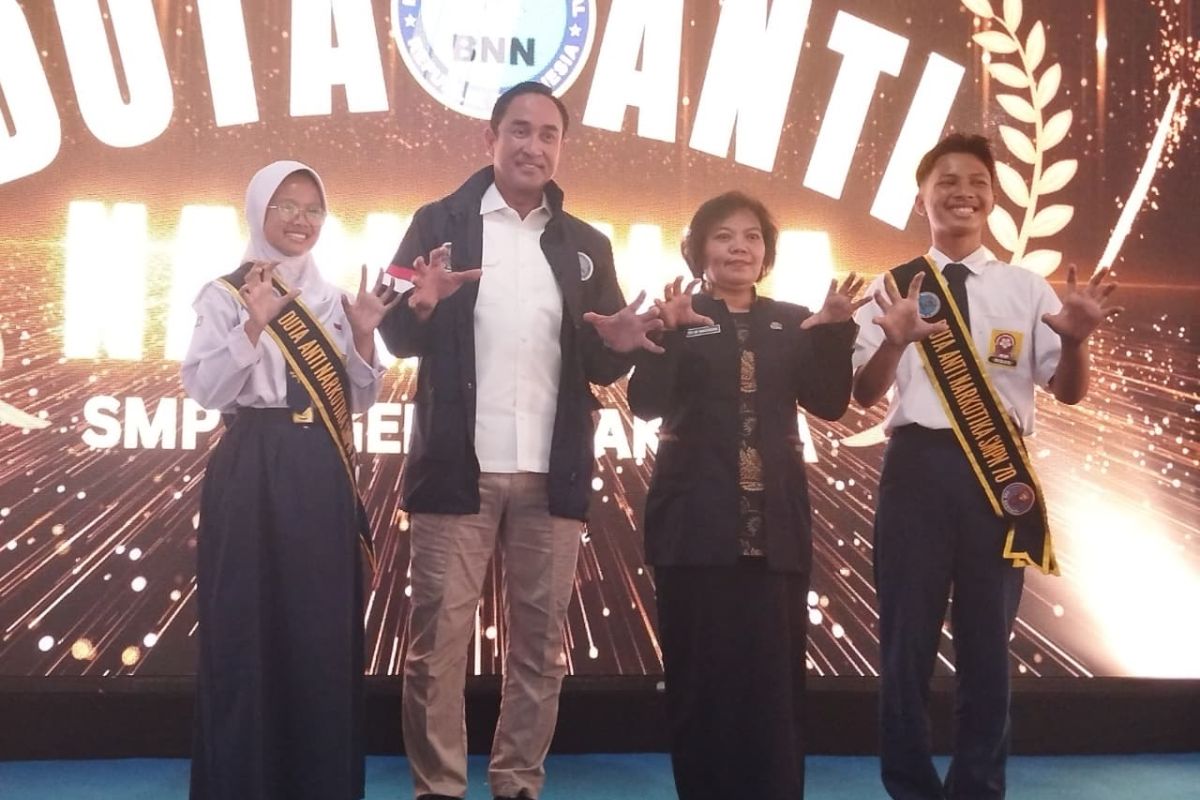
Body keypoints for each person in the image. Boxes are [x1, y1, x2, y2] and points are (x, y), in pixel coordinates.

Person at [377, 82, 662, 800]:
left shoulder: (586, 244)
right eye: (519, 130)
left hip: (550, 470)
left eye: (548, 134)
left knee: (540, 650)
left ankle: (518, 783)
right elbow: (395, 334)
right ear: (491, 137)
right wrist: (419, 304)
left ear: (561, 147)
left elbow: (598, 361)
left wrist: (621, 346)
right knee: (436, 649)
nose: (533, 146)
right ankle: (439, 788)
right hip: (456, 467)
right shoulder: (435, 222)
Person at [851, 133, 1121, 800]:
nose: (962, 192)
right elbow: (863, 392)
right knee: (905, 643)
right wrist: (893, 342)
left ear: (994, 198)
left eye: (976, 181)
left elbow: (1068, 391)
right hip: (916, 470)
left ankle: (979, 786)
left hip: (998, 478)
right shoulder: (892, 286)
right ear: (922, 197)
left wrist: (1076, 342)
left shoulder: (1025, 288)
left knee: (986, 646)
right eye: (946, 180)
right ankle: (909, 786)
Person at [627, 191, 863, 800]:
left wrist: (837, 333)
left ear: (766, 252)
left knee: (774, 690)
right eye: (724, 235)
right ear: (699, 250)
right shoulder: (679, 314)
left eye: (752, 236)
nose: (739, 247)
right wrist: (669, 334)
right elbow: (645, 404)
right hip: (693, 529)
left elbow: (830, 403)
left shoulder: (793, 319)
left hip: (775, 532)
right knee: (700, 685)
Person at [182, 160, 398, 800]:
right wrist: (253, 324)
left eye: (313, 209)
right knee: (246, 626)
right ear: (258, 211)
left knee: (319, 629)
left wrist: (364, 337)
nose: (301, 220)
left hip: (319, 471)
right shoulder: (223, 294)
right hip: (252, 465)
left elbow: (358, 401)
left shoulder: (337, 299)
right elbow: (206, 389)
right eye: (287, 206)